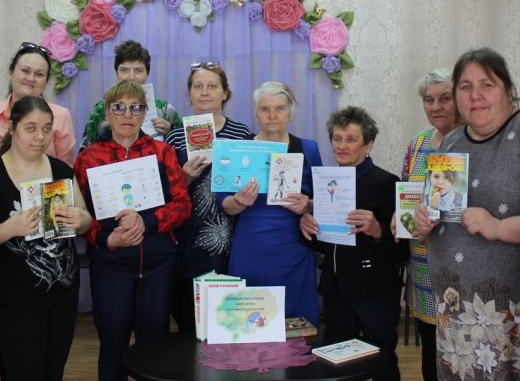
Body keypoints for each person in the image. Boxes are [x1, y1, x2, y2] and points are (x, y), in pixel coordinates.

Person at [415, 47, 520, 381]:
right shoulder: (450, 143)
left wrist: (500, 226)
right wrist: (423, 218)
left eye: (486, 84)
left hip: (515, 314)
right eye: (465, 86)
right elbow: (436, 207)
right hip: (454, 312)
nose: (475, 95)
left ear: (508, 89)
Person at [75, 80, 190, 381]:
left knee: (154, 351)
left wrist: (146, 222)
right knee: (112, 347)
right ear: (107, 114)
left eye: (136, 107)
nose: (127, 114)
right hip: (110, 267)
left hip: (157, 267)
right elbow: (80, 217)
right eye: (119, 107)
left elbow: (182, 205)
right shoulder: (88, 158)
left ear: (144, 113)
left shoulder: (163, 152)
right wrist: (106, 238)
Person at [0, 96, 92, 381]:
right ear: (12, 128)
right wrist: (9, 228)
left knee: (54, 370)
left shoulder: (62, 171)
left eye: (47, 128)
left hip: (62, 292)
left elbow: (86, 221)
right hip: (14, 297)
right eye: (31, 128)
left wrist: (80, 219)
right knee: (23, 371)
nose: (40, 137)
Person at [300, 106, 404, 381]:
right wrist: (307, 227)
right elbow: (324, 245)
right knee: (338, 367)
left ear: (368, 145)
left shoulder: (386, 182)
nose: (342, 145)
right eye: (337, 138)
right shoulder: (326, 182)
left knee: (383, 363)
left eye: (351, 139)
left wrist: (378, 230)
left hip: (376, 293)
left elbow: (402, 251)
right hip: (336, 291)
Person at [218, 81, 323, 326]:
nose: (272, 115)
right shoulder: (239, 149)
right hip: (250, 250)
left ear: (290, 112)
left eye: (280, 108)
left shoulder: (308, 149)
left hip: (294, 251)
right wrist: (239, 202)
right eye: (265, 109)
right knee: (249, 325)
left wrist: (308, 206)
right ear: (256, 113)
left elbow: (323, 201)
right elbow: (223, 203)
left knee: (298, 327)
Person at [164, 61, 253, 335]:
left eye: (212, 86)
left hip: (231, 246)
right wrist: (184, 178)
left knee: (228, 326)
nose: (204, 92)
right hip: (185, 247)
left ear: (225, 93)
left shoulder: (242, 135)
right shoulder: (174, 137)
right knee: (189, 325)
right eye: (198, 86)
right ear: (189, 93)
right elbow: (162, 193)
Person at [389, 68, 459, 381]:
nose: (436, 106)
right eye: (429, 100)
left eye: (445, 98)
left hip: (458, 260)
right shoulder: (418, 143)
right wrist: (398, 214)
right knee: (429, 344)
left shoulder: (471, 140)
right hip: (422, 260)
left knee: (460, 342)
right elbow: (408, 190)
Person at [0, 42, 76, 165]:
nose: (31, 79)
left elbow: (66, 167)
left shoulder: (61, 116)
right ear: (11, 72)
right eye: (25, 71)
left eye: (39, 74)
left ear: (46, 81)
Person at [80, 40, 181, 151]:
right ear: (117, 73)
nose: (131, 77)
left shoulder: (166, 110)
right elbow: (85, 154)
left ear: (147, 74)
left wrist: (169, 134)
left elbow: (181, 154)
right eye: (124, 70)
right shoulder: (100, 110)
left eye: (138, 70)